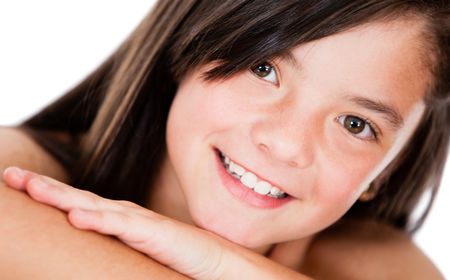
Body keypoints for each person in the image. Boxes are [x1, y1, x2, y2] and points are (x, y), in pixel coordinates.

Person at [0, 0, 448, 278]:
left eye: (354, 124)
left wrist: (221, 264)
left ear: (386, 169)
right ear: (186, 45)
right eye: (264, 69)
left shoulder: (379, 265)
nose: (287, 144)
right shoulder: (13, 181)